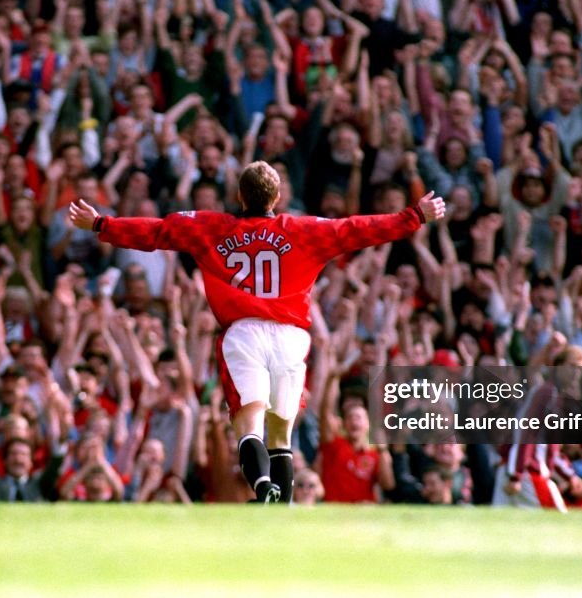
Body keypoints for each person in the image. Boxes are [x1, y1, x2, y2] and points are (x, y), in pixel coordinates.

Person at [69, 161, 445, 503]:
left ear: (238, 196)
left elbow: (157, 232)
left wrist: (103, 224)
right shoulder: (303, 230)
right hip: (290, 337)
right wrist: (414, 216)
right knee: (281, 434)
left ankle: (263, 486)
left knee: (248, 425)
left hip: (244, 333)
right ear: (277, 197)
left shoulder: (211, 227)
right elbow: (359, 229)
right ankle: (281, 506)